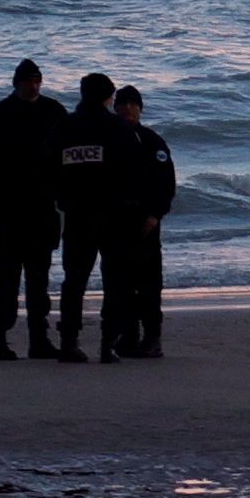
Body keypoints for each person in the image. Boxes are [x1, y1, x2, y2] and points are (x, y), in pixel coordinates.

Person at [0, 59, 74, 362]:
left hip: (43, 208)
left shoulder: (55, 112)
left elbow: (68, 159)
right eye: (27, 81)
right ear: (16, 83)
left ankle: (39, 340)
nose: (32, 86)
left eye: (36, 80)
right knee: (6, 281)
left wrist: (69, 197)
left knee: (39, 280)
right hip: (9, 211)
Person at [101, 80, 177, 360]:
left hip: (145, 223)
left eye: (133, 104)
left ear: (140, 109)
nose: (127, 109)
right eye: (122, 104)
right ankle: (128, 335)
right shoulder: (107, 140)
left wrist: (156, 215)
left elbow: (166, 184)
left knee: (149, 283)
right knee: (119, 282)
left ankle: (152, 337)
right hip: (115, 222)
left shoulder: (152, 141)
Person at [53, 71, 127, 357]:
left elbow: (49, 167)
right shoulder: (117, 126)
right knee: (114, 280)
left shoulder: (64, 126)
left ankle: (68, 342)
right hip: (111, 214)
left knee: (74, 280)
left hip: (76, 214)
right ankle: (108, 344)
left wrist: (62, 199)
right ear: (107, 97)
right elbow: (131, 169)